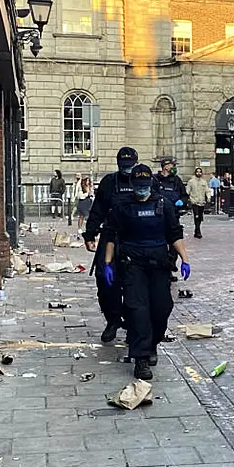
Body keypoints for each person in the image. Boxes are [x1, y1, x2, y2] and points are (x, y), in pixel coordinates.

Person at [102, 164, 190, 380]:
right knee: (137, 309)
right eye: (138, 186)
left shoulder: (163, 204)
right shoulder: (122, 205)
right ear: (133, 185)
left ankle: (152, 344)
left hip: (159, 264)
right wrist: (107, 263)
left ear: (151, 184)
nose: (142, 190)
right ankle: (140, 358)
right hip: (133, 265)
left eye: (145, 186)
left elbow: (174, 233)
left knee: (162, 308)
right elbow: (112, 236)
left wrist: (185, 259)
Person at [83, 147, 139, 343]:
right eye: (123, 166)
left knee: (135, 284)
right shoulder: (109, 182)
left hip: (135, 239)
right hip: (110, 237)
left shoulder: (143, 179)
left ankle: (134, 324)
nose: (127, 170)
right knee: (105, 281)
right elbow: (97, 210)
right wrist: (89, 234)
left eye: (130, 166)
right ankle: (113, 320)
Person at [153, 157, 188, 279]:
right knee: (160, 245)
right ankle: (162, 270)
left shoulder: (176, 180)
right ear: (165, 166)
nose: (174, 168)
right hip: (158, 217)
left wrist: (181, 202)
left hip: (173, 216)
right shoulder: (155, 180)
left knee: (174, 245)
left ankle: (170, 267)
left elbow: (184, 196)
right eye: (172, 165)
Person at [187, 167, 210, 238]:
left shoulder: (204, 182)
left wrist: (208, 197)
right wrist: (189, 199)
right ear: (195, 173)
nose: (199, 173)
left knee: (200, 217)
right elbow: (187, 191)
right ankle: (198, 231)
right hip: (194, 201)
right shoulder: (191, 182)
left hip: (202, 201)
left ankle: (196, 230)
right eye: (197, 172)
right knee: (196, 216)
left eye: (200, 172)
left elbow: (207, 190)